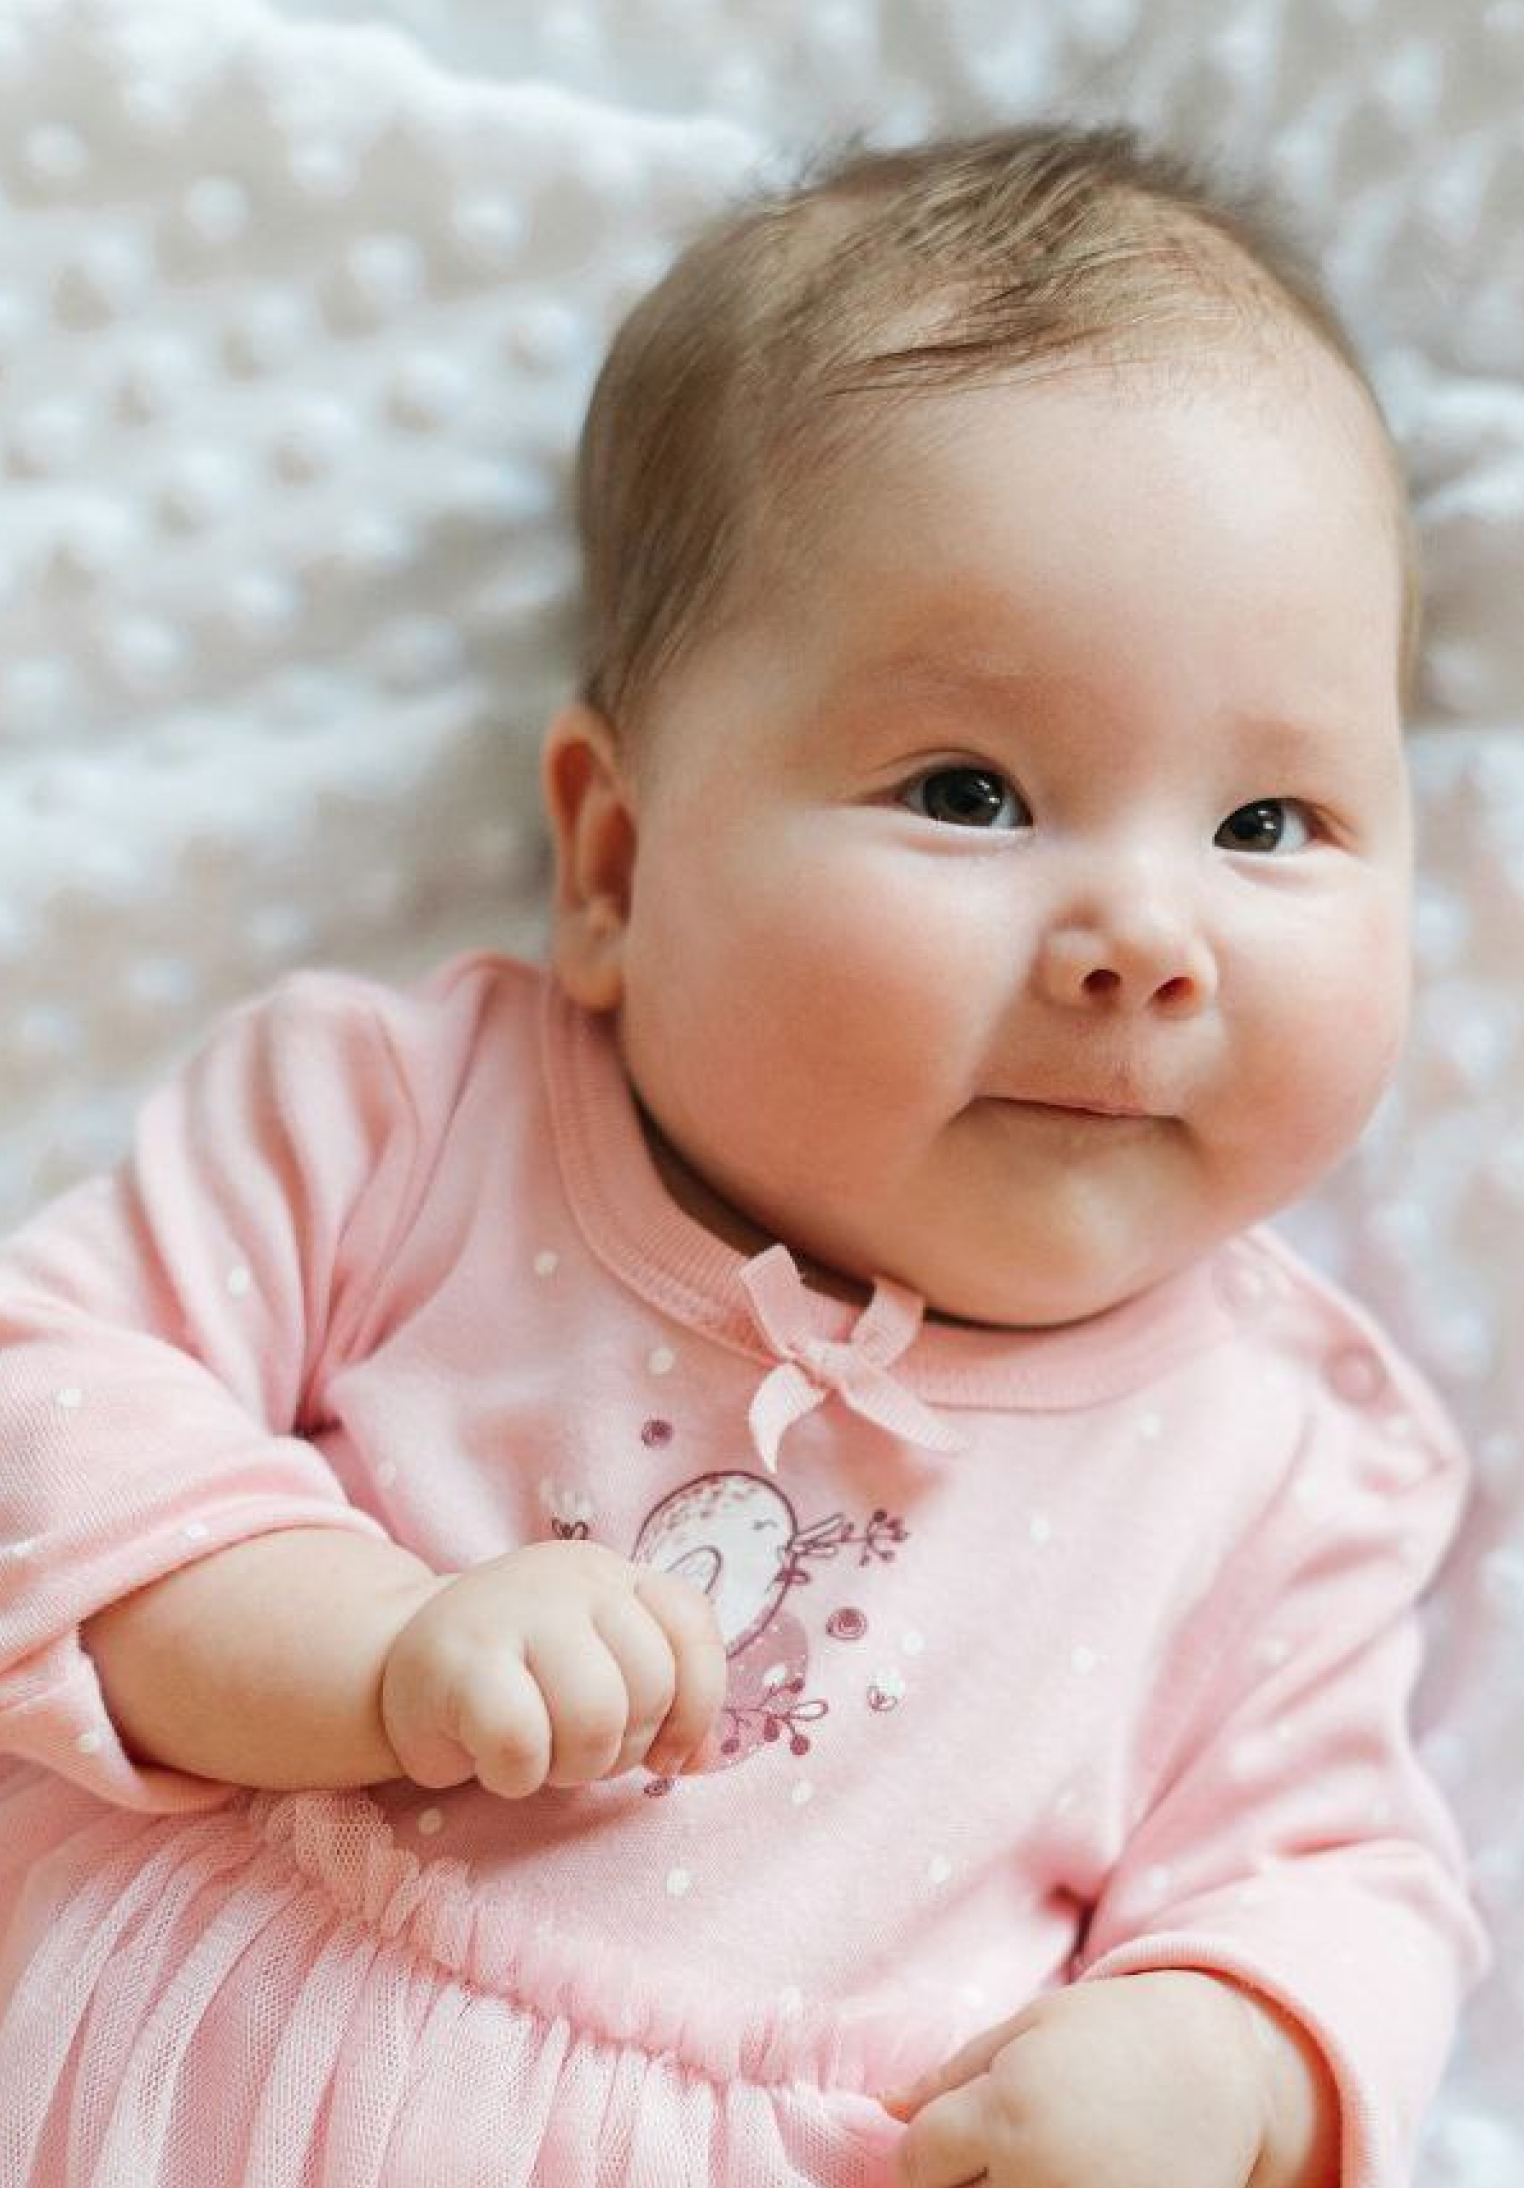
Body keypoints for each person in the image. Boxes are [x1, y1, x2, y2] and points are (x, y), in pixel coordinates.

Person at [0, 120, 1488, 2188]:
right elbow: (51, 1409)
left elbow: (1347, 1877)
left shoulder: (1283, 1461)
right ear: (614, 862)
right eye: (969, 790)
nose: (1148, 939)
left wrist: (1215, 2061)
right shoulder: (406, 1121)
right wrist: (363, 1645)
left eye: (1267, 825)